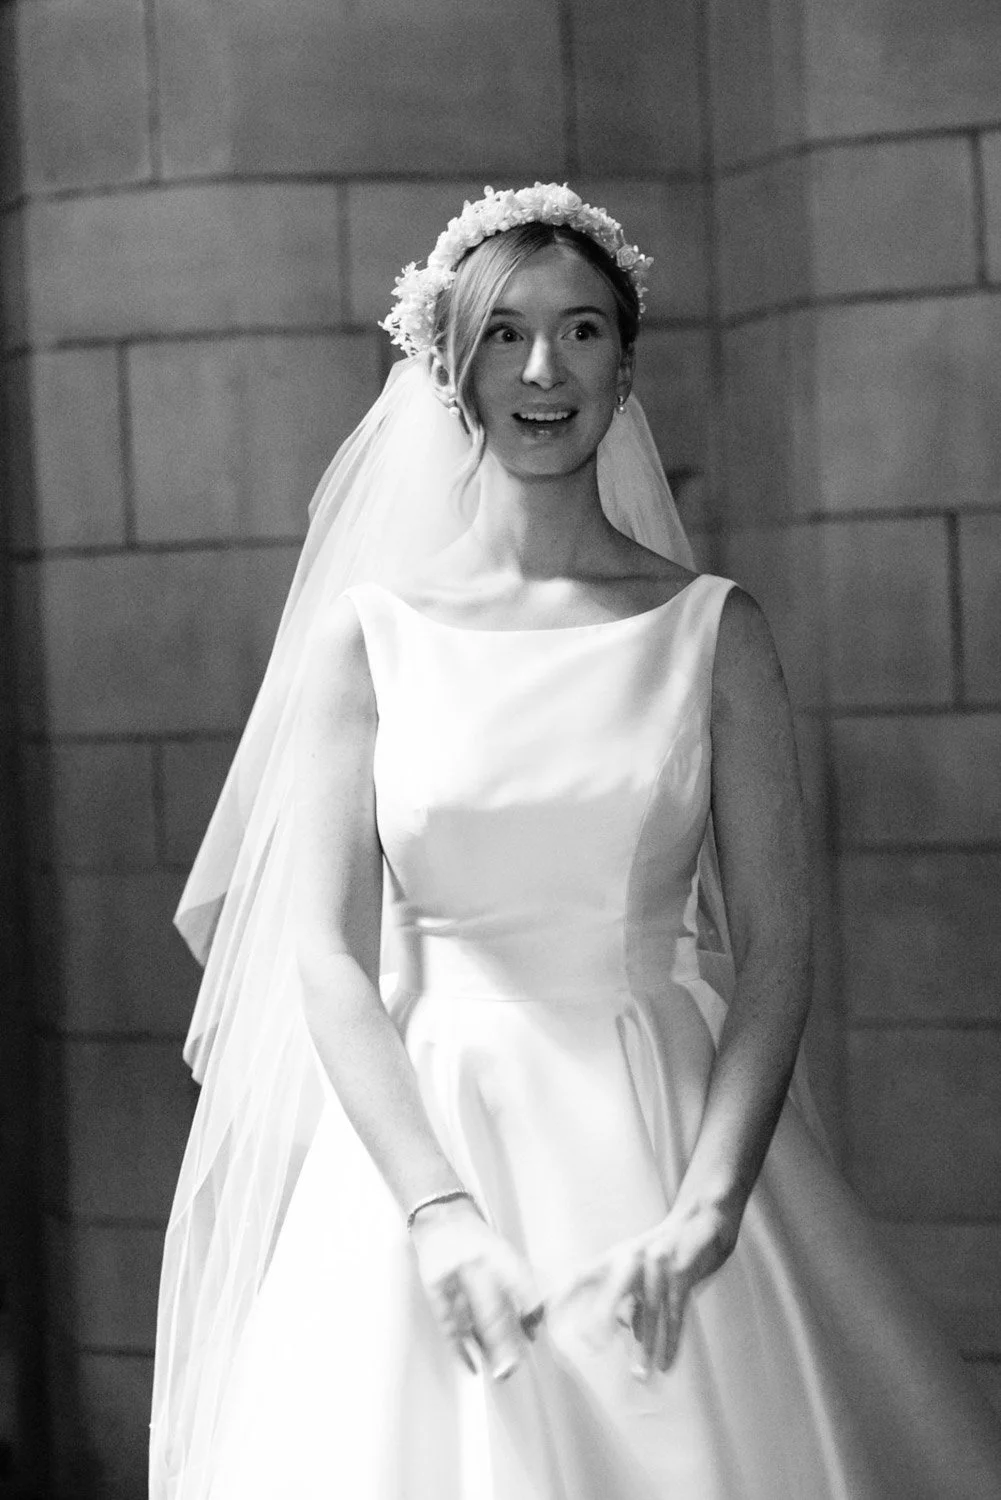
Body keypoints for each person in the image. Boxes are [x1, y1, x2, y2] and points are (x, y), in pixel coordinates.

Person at [150, 185, 1001, 1499]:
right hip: (423, 1146)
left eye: (585, 330)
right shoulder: (367, 638)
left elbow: (776, 952)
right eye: (506, 334)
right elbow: (322, 953)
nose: (544, 370)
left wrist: (711, 1206)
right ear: (449, 360)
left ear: (624, 364)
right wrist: (435, 1216)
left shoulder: (716, 631)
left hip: (664, 1140)